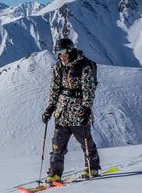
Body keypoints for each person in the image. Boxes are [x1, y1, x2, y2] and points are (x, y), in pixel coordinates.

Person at [41, 37, 101, 183]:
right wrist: (50, 107)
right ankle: (55, 174)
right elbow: (55, 89)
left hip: (78, 112)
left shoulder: (84, 65)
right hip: (62, 112)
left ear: (70, 50)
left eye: (63, 51)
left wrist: (86, 108)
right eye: (58, 52)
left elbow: (89, 89)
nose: (61, 55)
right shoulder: (58, 67)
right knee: (57, 144)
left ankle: (92, 167)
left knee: (85, 141)